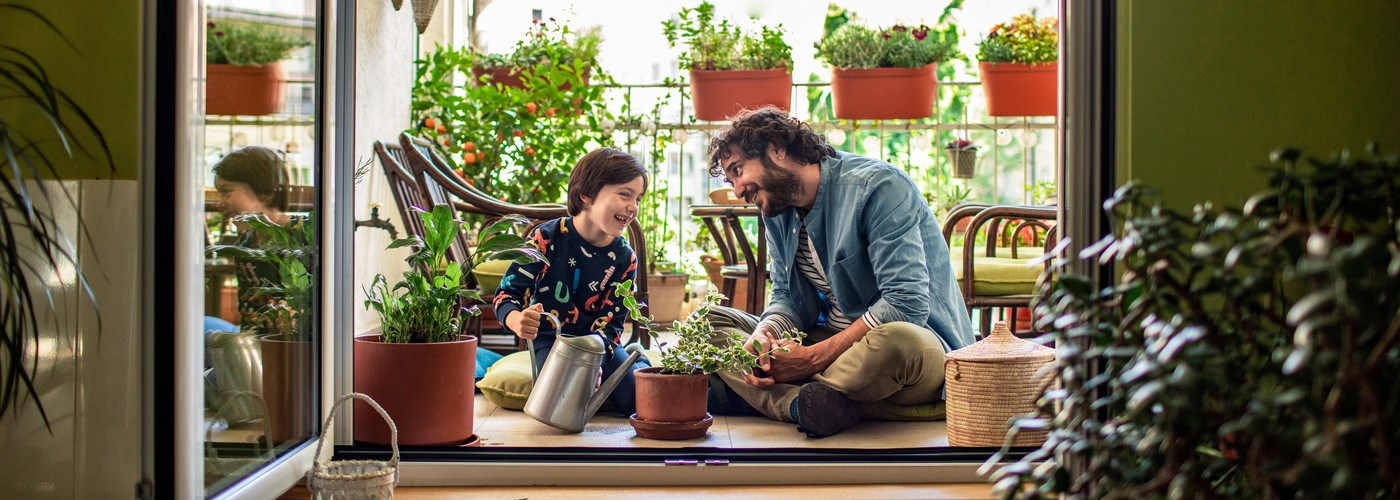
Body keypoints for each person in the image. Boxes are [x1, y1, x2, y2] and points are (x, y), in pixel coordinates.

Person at [702, 107, 976, 437]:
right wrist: (767, 334)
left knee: (898, 342)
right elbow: (788, 298)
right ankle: (803, 404)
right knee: (709, 324)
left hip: (913, 347)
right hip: (834, 347)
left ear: (777, 148)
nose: (737, 190)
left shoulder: (878, 187)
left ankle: (755, 394)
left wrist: (812, 360)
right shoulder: (775, 210)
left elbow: (906, 303)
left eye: (738, 170)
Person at [493, 148, 652, 416]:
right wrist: (516, 320)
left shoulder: (625, 259)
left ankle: (637, 358)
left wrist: (595, 361)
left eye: (638, 198)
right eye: (625, 194)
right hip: (553, 341)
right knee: (559, 400)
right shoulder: (545, 239)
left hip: (601, 344)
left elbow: (612, 324)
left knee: (634, 399)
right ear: (586, 195)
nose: (633, 206)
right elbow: (505, 294)